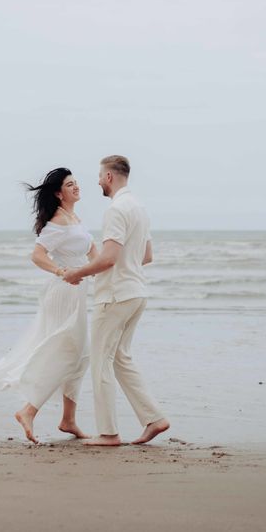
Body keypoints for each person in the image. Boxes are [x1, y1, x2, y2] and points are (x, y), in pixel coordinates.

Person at [63, 155, 170, 446]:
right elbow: (146, 256)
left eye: (100, 176)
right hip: (136, 293)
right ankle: (154, 418)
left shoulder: (115, 210)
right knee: (121, 358)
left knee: (101, 362)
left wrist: (78, 272)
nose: (98, 181)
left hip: (115, 296)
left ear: (109, 177)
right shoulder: (139, 208)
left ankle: (108, 432)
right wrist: (124, 267)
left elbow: (109, 258)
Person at [0, 167, 96, 444]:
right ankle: (28, 411)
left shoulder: (75, 219)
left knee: (82, 355)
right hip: (64, 293)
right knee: (68, 353)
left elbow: (93, 253)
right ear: (58, 194)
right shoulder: (58, 222)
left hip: (78, 292)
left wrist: (112, 271)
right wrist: (61, 271)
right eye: (70, 184)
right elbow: (37, 255)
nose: (76, 187)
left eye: (76, 182)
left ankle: (68, 420)